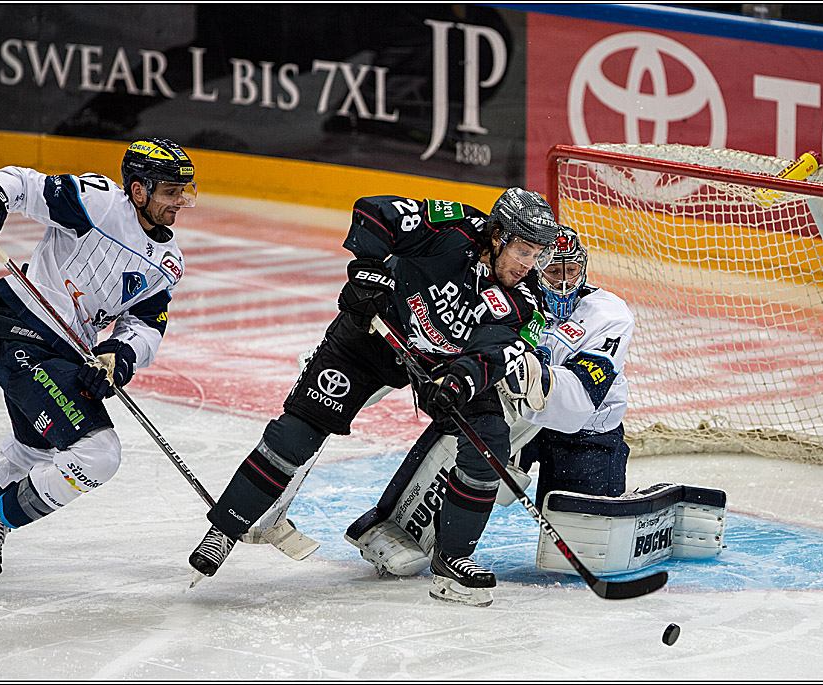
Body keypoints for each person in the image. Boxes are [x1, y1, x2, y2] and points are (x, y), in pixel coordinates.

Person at [187, 188, 560, 607]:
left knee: (488, 441)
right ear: (497, 235)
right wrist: (368, 272)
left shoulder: (524, 300)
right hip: (370, 337)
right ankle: (225, 529)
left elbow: (492, 352)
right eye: (523, 250)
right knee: (297, 434)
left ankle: (453, 560)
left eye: (538, 255)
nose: (528, 264)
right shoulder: (453, 228)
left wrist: (459, 383)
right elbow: (376, 211)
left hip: (440, 366)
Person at [343, 225, 639, 575]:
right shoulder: (508, 296)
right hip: (516, 418)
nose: (562, 282)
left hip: (584, 434)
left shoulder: (608, 314)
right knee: (464, 422)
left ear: (583, 268)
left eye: (570, 270)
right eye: (552, 271)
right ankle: (397, 523)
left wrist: (536, 377)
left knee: (580, 555)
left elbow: (580, 401)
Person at [0, 139, 197, 583]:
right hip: (24, 334)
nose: (180, 201)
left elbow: (145, 324)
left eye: (184, 191)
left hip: (67, 354)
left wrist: (119, 356)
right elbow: (24, 184)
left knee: (32, 450)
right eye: (170, 192)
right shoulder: (96, 202)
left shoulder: (168, 262)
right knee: (98, 454)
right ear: (138, 190)